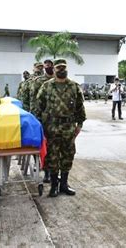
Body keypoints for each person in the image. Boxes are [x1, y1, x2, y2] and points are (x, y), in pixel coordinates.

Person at [35, 59, 86, 197]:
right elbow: (38, 108)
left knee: (68, 156)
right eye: (59, 68)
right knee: (52, 157)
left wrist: (79, 125)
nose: (61, 70)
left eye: (64, 68)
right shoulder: (46, 87)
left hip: (68, 128)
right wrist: (40, 128)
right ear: (54, 69)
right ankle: (53, 186)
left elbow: (80, 107)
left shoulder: (74, 87)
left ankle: (64, 184)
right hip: (51, 128)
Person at [29, 59, 55, 183]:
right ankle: (46, 171)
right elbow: (34, 101)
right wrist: (35, 119)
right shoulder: (38, 82)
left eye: (51, 65)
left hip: (58, 120)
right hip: (44, 119)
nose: (48, 67)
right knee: (45, 145)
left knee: (56, 148)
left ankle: (54, 172)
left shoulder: (60, 80)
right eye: (47, 65)